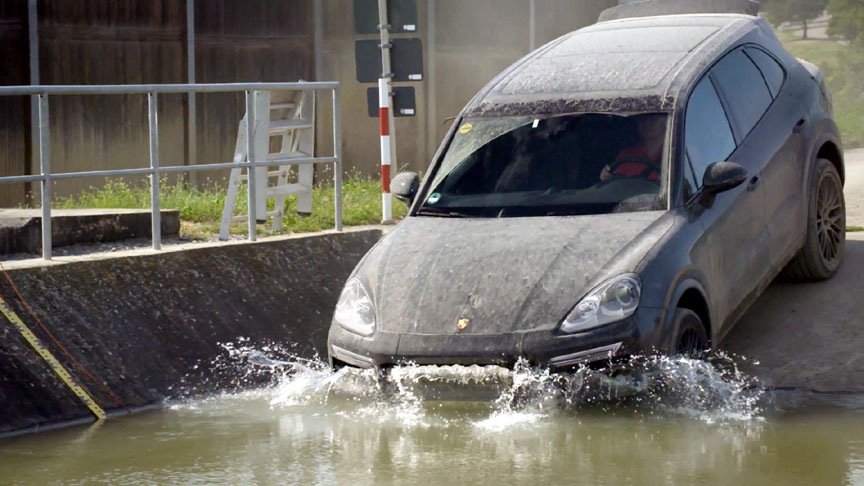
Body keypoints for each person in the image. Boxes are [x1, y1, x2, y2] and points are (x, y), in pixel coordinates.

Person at [600, 114, 666, 182]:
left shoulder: (673, 154)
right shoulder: (626, 155)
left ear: (666, 121)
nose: (646, 123)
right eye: (642, 119)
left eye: (653, 119)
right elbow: (618, 185)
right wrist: (607, 178)